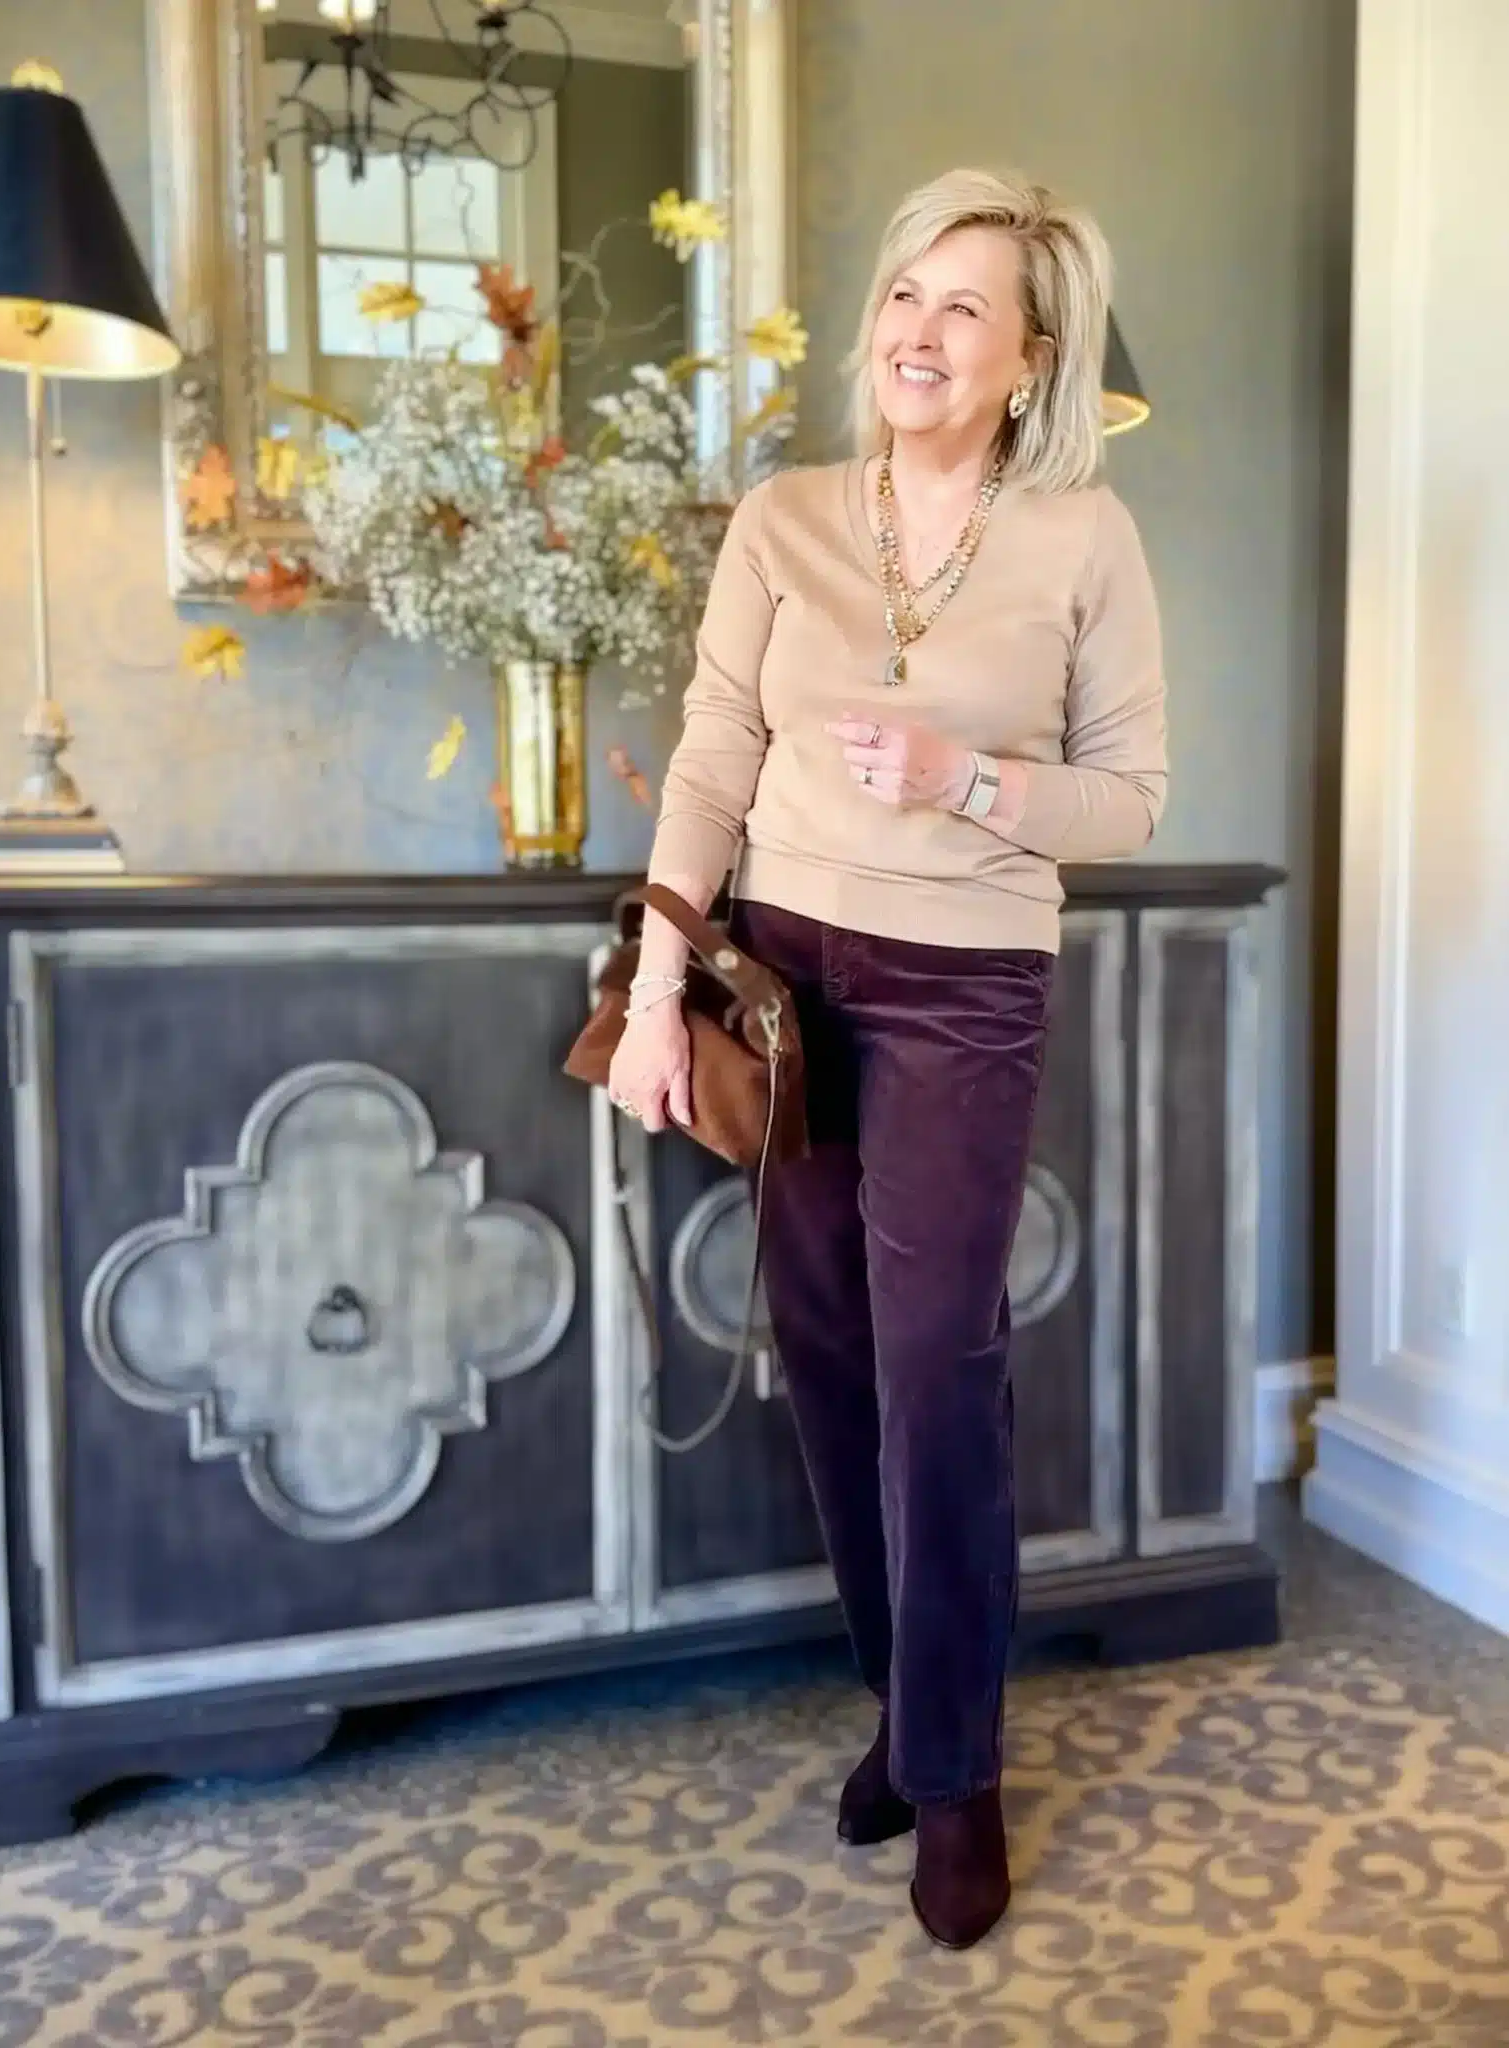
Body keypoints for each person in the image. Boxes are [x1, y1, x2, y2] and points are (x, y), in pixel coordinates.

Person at [606, 165, 1167, 1950]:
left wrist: (963, 781)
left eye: (965, 309)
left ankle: (957, 1770)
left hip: (961, 984)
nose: (919, 333)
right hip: (782, 977)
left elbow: (1133, 797)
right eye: (904, 294)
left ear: (1026, 356)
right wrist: (650, 999)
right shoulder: (781, 517)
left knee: (939, 1367)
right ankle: (903, 1715)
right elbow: (706, 760)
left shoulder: (1084, 534)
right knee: (831, 1362)